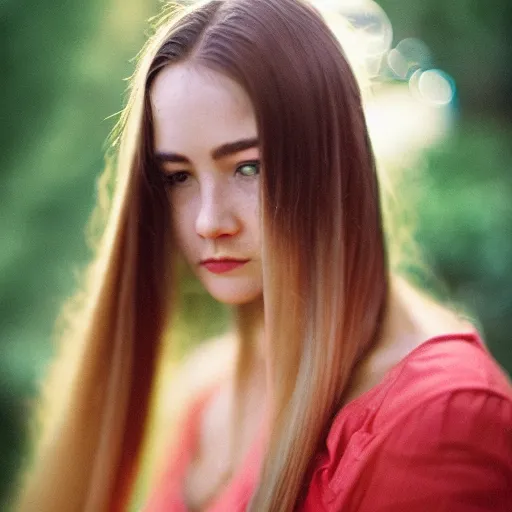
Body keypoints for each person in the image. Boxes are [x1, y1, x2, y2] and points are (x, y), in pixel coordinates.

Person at [15, 0, 512, 511]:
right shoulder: (207, 392)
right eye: (178, 177)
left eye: (248, 167)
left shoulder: (441, 416)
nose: (210, 221)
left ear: (334, 161)